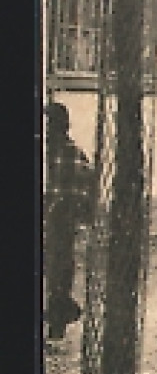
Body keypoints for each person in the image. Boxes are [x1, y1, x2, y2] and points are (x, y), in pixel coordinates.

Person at [45, 102, 94, 341]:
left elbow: (85, 188)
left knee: (59, 269)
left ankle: (58, 317)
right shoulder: (71, 152)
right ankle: (58, 315)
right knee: (58, 270)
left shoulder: (65, 153)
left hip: (59, 219)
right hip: (58, 219)